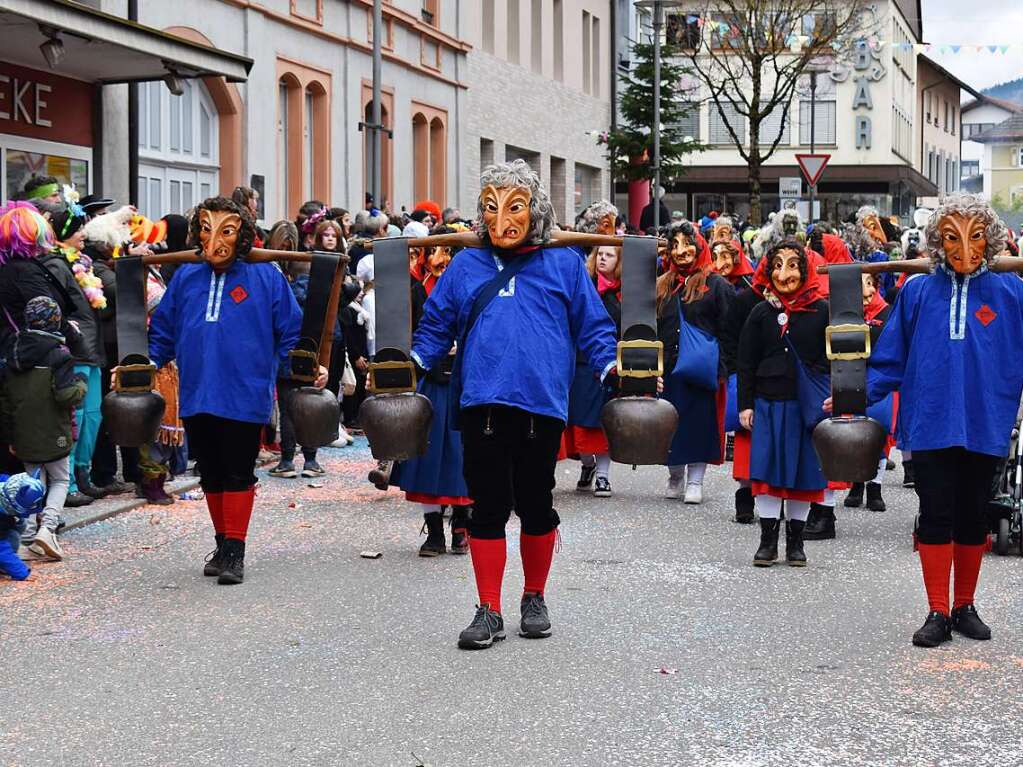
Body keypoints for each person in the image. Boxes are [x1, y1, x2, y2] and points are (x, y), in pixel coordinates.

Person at [411, 160, 618, 649]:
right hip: (480, 400)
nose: (501, 217)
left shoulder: (564, 263)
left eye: (515, 206)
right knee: (486, 507)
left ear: (535, 210)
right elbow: (436, 325)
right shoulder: (465, 265)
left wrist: (610, 365)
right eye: (491, 207)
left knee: (536, 504)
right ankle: (488, 608)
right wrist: (411, 362)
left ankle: (534, 596)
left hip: (540, 404)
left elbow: (593, 326)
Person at [857, 194, 1023, 648]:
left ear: (989, 240)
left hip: (986, 420)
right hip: (929, 420)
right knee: (934, 515)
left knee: (974, 517)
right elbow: (891, 357)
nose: (963, 249)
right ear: (938, 241)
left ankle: (965, 605)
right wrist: (856, 399)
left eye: (974, 238)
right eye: (951, 238)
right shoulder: (916, 291)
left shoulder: (1013, 293)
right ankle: (937, 610)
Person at [148, 197, 316, 585]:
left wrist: (306, 368)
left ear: (241, 235)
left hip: (245, 389)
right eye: (205, 229)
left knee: (238, 471)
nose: (213, 241)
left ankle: (235, 552)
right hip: (197, 389)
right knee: (210, 471)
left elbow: (291, 330)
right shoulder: (187, 277)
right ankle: (222, 541)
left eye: (224, 230)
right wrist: (148, 363)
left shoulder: (267, 276)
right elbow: (164, 331)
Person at [738, 240, 829, 568]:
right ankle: (767, 542)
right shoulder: (760, 312)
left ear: (805, 270)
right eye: (777, 265)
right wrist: (745, 404)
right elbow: (745, 361)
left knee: (802, 475)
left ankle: (796, 543)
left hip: (805, 408)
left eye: (792, 265)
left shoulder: (822, 311)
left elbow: (832, 359)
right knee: (767, 472)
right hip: (768, 402)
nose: (783, 273)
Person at [391, 232, 471, 556]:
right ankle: (435, 531)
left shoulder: (473, 284)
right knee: (425, 455)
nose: (442, 259)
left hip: (465, 380)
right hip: (428, 380)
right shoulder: (414, 289)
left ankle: (463, 525)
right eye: (436, 252)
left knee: (464, 455)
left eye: (449, 252)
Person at [1, 296, 87, 562]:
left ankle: (26, 533)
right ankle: (47, 528)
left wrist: (10, 435)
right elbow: (65, 396)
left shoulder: (12, 352)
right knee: (60, 479)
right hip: (53, 429)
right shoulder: (59, 354)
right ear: (55, 320)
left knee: (32, 479)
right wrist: (81, 384)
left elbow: (4, 400)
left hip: (22, 430)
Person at [657, 221, 733, 504]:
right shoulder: (662, 284)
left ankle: (696, 481)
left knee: (700, 424)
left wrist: (722, 368)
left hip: (703, 370)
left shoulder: (717, 285)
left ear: (699, 245)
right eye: (674, 244)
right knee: (669, 424)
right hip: (669, 367)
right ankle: (675, 475)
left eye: (686, 243)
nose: (680, 250)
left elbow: (728, 329)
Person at [40, 200, 108, 508]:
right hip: (76, 352)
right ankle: (65, 485)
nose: (83, 233)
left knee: (92, 417)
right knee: (77, 418)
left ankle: (84, 474)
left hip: (91, 351)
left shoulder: (81, 262)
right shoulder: (56, 264)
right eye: (78, 228)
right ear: (64, 231)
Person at [561, 244, 620, 497]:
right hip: (579, 364)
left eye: (609, 255)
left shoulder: (623, 293)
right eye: (600, 255)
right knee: (578, 423)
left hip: (608, 365)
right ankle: (588, 465)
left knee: (601, 422)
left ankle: (604, 477)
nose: (603, 259)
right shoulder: (581, 286)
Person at [0, 472, 46, 581]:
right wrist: (21, 572)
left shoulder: (6, 483)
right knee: (12, 537)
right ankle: (5, 564)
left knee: (21, 522)